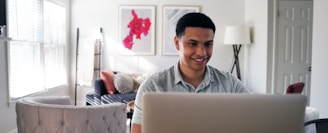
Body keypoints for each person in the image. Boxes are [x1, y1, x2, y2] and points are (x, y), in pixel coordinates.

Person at [130, 12, 250, 133]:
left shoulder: (230, 84)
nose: (202, 53)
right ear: (177, 43)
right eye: (193, 44)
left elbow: (253, 119)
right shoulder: (152, 87)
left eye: (208, 44)